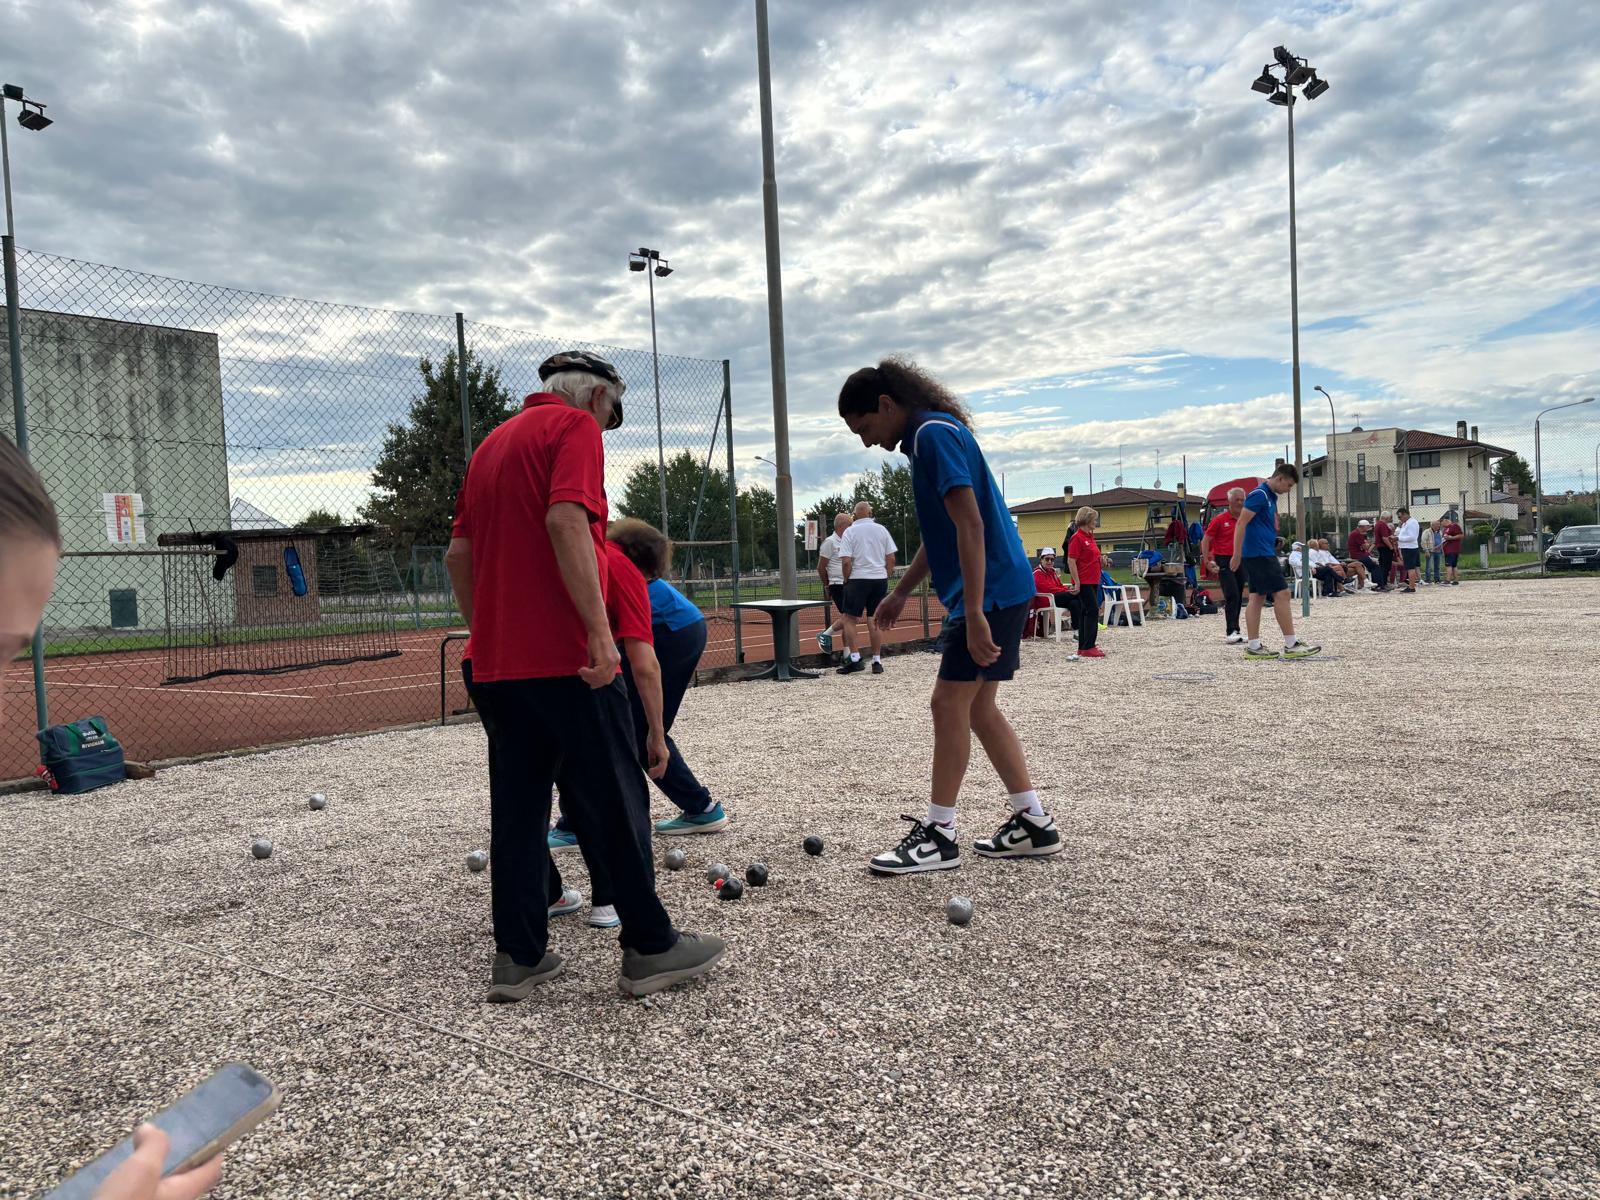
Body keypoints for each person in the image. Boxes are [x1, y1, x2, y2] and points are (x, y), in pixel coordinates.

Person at [446, 349, 724, 1001]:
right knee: (616, 796)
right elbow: (567, 519)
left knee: (518, 811)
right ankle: (651, 948)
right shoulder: (572, 430)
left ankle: (518, 957)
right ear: (599, 399)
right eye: (608, 418)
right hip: (567, 661)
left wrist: (487, 630)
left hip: (499, 666)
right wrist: (600, 636)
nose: (602, 432)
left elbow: (459, 551)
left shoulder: (489, 447)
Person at [836, 357, 1062, 874]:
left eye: (866, 427)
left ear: (888, 405)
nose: (867, 441)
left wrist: (977, 611)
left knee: (947, 704)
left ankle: (939, 834)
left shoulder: (933, 437)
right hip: (1002, 587)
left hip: (993, 591)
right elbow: (945, 533)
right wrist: (899, 591)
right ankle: (1033, 822)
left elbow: (972, 526)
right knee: (979, 708)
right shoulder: (933, 435)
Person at [610, 518, 729, 838]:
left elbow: (639, 661)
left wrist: (656, 732)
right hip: (683, 628)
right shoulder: (618, 564)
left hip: (673, 632)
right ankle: (698, 807)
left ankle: (700, 807)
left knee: (638, 729)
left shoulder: (613, 566)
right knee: (628, 725)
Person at [1230, 464, 1321, 660]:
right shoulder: (1259, 495)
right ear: (1279, 478)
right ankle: (1291, 644)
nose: (1288, 490)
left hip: (1261, 551)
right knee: (1282, 593)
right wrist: (1236, 553)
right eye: (1288, 485)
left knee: (1257, 597)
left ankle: (1254, 646)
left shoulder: (1269, 497)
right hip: (1259, 554)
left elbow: (1257, 524)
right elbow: (1241, 523)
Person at [836, 500, 897, 674]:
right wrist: (885, 575)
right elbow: (891, 558)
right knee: (874, 619)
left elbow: (846, 561)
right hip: (879, 579)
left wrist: (847, 579)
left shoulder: (850, 531)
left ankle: (855, 658)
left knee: (849, 619)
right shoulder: (882, 529)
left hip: (858, 579)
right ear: (870, 513)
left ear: (854, 514)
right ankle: (876, 661)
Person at [1202, 487, 1246, 643]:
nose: (1240, 503)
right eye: (1237, 500)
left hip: (1241, 559)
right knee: (1232, 594)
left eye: (1242, 500)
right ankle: (1231, 630)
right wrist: (1207, 560)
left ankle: (1237, 629)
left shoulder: (1245, 519)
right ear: (1230, 501)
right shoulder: (1220, 519)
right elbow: (1206, 538)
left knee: (1239, 595)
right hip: (1224, 560)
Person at [1066, 507, 1104, 658]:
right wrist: (1077, 582)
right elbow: (1071, 561)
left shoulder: (1090, 537)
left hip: (1093, 579)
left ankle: (1082, 646)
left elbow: (1091, 557)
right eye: (1094, 519)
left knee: (1085, 612)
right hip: (1084, 581)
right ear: (1086, 520)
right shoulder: (1077, 538)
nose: (1096, 522)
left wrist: (1102, 560)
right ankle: (1089, 646)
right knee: (1093, 610)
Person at [815, 511, 851, 653]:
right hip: (837, 584)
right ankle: (825, 634)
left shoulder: (848, 541)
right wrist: (827, 585)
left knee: (849, 619)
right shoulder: (829, 542)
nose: (852, 526)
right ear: (842, 526)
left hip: (849, 583)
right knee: (849, 616)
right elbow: (821, 567)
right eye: (850, 524)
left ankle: (848, 652)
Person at [1027, 547, 1073, 638]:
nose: (1050, 562)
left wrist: (1067, 588)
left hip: (1054, 597)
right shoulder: (1037, 573)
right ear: (1041, 560)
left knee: (1074, 602)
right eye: (1047, 559)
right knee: (1076, 595)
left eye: (1052, 559)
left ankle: (1077, 630)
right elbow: (1049, 589)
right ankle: (1072, 622)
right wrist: (1067, 590)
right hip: (1044, 600)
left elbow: (1059, 585)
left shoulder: (1052, 572)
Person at [1345, 519, 1378, 590]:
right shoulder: (1357, 534)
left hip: (1360, 554)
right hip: (1357, 555)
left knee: (1370, 564)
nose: (1369, 529)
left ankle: (1365, 585)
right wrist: (1369, 544)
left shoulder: (1358, 533)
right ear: (1362, 527)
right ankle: (1377, 584)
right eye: (1367, 527)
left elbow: (1365, 548)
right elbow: (1365, 547)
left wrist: (1368, 551)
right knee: (1374, 566)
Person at [1395, 506, 1420, 593]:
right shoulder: (1405, 523)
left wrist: (1398, 539)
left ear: (1405, 514)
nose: (1399, 519)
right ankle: (1411, 586)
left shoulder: (1412, 523)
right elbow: (1399, 534)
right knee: (1409, 567)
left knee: (1410, 568)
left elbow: (1412, 537)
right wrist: (1398, 529)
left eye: (1400, 517)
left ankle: (1412, 587)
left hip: (1410, 548)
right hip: (1406, 547)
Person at [1373, 511, 1398, 592]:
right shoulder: (1382, 524)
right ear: (1386, 518)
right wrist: (1391, 547)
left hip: (1381, 547)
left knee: (1383, 565)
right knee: (1386, 566)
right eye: (1390, 518)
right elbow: (1384, 538)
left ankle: (1382, 584)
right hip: (1385, 547)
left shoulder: (1378, 524)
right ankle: (1383, 584)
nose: (1389, 520)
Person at [1440, 513, 1464, 585]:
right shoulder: (1445, 529)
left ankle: (1448, 580)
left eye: (1442, 523)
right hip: (1447, 549)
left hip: (1452, 549)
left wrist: (1451, 538)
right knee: (1453, 565)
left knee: (1449, 565)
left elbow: (1461, 535)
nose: (1441, 525)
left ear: (1446, 520)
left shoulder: (1454, 526)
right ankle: (1456, 580)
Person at [1424, 520, 1444, 584]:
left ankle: (1437, 579)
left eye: (1439, 524)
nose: (1439, 525)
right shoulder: (1427, 532)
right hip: (1430, 551)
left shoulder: (1440, 532)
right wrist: (1426, 550)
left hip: (1438, 551)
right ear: (1432, 525)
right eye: (1437, 524)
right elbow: (1423, 541)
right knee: (1429, 566)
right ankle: (1428, 579)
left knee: (1437, 566)